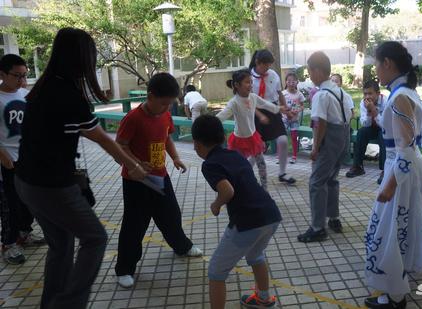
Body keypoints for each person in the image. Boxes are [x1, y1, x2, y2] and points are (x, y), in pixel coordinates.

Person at [14, 27, 147, 309]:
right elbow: (100, 137)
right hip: (51, 187)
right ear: (80, 58)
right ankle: (68, 305)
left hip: (26, 182)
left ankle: (51, 303)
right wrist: (134, 165)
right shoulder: (67, 94)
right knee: (95, 238)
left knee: (61, 244)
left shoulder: (44, 87)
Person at [115, 72, 202, 288]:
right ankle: (124, 269)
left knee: (171, 215)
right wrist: (135, 163)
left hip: (160, 177)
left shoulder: (165, 115)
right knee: (134, 225)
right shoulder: (133, 119)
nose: (166, 108)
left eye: (170, 104)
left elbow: (167, 139)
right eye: (163, 103)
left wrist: (175, 158)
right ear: (150, 96)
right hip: (135, 181)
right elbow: (120, 146)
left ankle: (182, 247)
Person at [363, 41, 422, 309]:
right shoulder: (405, 93)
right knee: (399, 227)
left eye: (376, 64)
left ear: (387, 63)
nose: (376, 70)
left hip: (400, 169)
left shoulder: (400, 96)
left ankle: (395, 295)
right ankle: (394, 290)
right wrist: (377, 116)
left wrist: (389, 184)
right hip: (406, 168)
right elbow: (400, 137)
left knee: (390, 230)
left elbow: (406, 148)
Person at [192, 114, 282, 309]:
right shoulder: (235, 155)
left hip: (247, 222)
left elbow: (227, 191)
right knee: (255, 255)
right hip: (271, 215)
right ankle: (263, 298)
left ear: (197, 144)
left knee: (216, 270)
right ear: (223, 137)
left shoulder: (210, 164)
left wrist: (216, 205)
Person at [297, 51, 353, 243]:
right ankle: (334, 219)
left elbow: (320, 123)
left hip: (329, 139)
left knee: (316, 182)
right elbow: (351, 114)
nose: (309, 75)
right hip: (344, 136)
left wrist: (315, 148)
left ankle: (317, 227)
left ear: (318, 71)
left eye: (310, 71)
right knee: (331, 179)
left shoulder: (321, 95)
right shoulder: (341, 91)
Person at [0, 54, 45, 265]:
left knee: (30, 201)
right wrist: (3, 156)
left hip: (27, 158)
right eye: (17, 76)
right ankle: (9, 244)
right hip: (7, 160)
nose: (22, 81)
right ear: (2, 74)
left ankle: (24, 233)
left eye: (25, 76)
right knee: (10, 205)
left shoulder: (25, 95)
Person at [217, 69, 283, 190]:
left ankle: (264, 190)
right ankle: (236, 188)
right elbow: (222, 116)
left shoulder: (252, 97)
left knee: (261, 165)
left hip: (253, 138)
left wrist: (279, 108)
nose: (251, 85)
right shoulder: (234, 103)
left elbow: (265, 104)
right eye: (247, 82)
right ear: (237, 85)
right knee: (238, 167)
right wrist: (208, 123)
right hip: (239, 141)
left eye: (251, 82)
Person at [249, 49, 295, 184]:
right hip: (255, 113)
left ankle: (282, 173)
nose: (268, 68)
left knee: (282, 140)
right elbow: (248, 101)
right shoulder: (248, 77)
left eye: (269, 65)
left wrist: (286, 110)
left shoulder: (273, 74)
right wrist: (260, 115)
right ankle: (244, 174)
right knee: (257, 148)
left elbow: (279, 94)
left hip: (273, 110)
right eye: (265, 65)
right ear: (257, 62)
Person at [346, 80, 387, 184]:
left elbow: (385, 125)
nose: (367, 96)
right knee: (361, 132)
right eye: (365, 94)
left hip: (384, 128)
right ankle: (358, 166)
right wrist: (369, 112)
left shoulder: (386, 102)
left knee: (383, 136)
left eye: (370, 93)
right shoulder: (363, 103)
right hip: (372, 126)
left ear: (378, 93)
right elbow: (365, 124)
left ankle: (385, 170)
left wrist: (374, 110)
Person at [282, 72, 305, 164]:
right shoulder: (283, 94)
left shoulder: (299, 94)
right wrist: (286, 111)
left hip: (294, 120)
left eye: (293, 81)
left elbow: (302, 106)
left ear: (297, 82)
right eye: (289, 81)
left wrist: (298, 110)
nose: (291, 83)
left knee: (294, 137)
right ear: (286, 82)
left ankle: (294, 156)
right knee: (282, 138)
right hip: (284, 119)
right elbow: (280, 106)